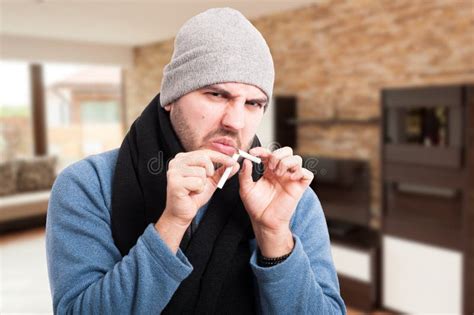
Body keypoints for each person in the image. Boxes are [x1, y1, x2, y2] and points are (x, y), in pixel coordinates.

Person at [46, 7, 346, 314]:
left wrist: (274, 234)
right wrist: (172, 224)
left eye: (254, 103)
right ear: (171, 97)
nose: (236, 122)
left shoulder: (291, 200)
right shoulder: (87, 185)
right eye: (216, 94)